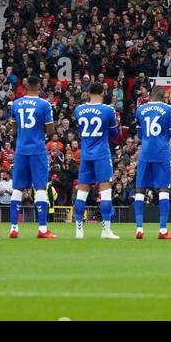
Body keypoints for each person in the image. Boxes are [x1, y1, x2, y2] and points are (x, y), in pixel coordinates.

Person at [9, 75, 57, 238]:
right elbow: (50, 131)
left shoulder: (16, 103)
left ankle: (14, 228)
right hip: (37, 150)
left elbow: (14, 129)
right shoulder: (44, 104)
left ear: (26, 86)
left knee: (17, 188)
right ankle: (42, 229)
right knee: (40, 188)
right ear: (39, 87)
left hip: (21, 150)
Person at [73, 81, 120, 240]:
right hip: (101, 155)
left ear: (88, 92)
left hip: (86, 154)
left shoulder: (79, 109)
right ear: (103, 92)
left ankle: (79, 230)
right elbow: (115, 134)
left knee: (81, 193)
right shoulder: (108, 110)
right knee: (105, 193)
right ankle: (106, 230)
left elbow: (80, 131)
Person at [132, 88, 171, 239]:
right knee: (163, 189)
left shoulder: (141, 109)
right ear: (163, 96)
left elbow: (139, 134)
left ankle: (139, 228)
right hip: (161, 153)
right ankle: (163, 230)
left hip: (145, 153)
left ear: (150, 96)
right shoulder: (167, 109)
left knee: (140, 189)